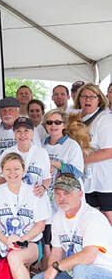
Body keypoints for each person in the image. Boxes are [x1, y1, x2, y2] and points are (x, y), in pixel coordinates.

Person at [32, 174, 112, 279]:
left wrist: (55, 268)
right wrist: (49, 274)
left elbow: (88, 256)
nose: (61, 198)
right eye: (58, 193)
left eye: (67, 193)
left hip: (106, 275)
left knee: (82, 270)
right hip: (83, 275)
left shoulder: (92, 217)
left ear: (80, 194)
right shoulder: (58, 217)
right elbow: (56, 251)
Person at [42, 109, 84, 270]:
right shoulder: (42, 144)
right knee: (49, 243)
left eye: (57, 122)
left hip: (67, 200)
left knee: (69, 240)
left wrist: (55, 163)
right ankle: (49, 275)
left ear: (64, 125)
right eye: (50, 122)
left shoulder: (71, 145)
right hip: (47, 199)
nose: (53, 125)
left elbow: (77, 171)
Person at [74, 83, 112, 225]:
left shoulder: (105, 119)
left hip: (104, 180)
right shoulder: (76, 118)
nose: (87, 100)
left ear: (99, 99)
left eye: (92, 97)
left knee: (108, 215)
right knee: (91, 217)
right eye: (84, 96)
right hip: (86, 180)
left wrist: (81, 160)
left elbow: (109, 151)